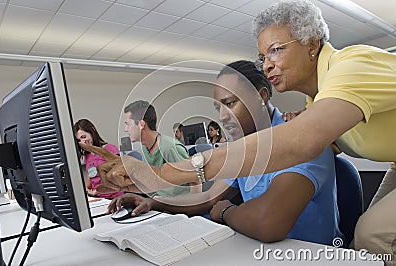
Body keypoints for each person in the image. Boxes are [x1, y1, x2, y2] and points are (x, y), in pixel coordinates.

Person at [82, 1, 396, 262]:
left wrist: (162, 174)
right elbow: (214, 194)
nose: (267, 64)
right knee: (365, 242)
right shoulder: (314, 102)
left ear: (312, 44)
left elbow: (303, 142)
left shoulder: (348, 68)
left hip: (302, 252)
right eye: (263, 57)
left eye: (275, 50)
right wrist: (156, 202)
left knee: (372, 234)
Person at [91, 61, 342, 245]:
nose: (222, 116)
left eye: (230, 104)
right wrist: (152, 202)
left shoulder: (301, 138)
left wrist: (224, 212)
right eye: (217, 107)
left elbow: (268, 223)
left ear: (261, 97)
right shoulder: (242, 146)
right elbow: (210, 197)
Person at [123, 100, 201, 196]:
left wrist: (192, 208)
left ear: (141, 124)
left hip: (178, 206)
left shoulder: (170, 148)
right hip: (160, 202)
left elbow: (195, 180)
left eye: (127, 124)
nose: (125, 129)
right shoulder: (145, 148)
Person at [74, 118, 124, 199]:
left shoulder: (109, 149)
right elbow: (91, 177)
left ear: (92, 131)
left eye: (83, 137)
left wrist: (97, 190)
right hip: (98, 199)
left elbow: (118, 175)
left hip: (114, 197)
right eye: (79, 140)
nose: (82, 142)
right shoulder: (87, 156)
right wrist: (87, 188)